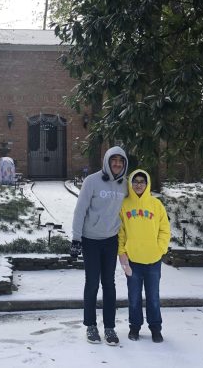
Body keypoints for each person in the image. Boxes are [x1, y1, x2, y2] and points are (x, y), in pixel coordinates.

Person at [71, 146, 128, 345]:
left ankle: (110, 327)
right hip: (90, 240)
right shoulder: (92, 181)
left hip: (111, 240)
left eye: (121, 161)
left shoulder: (124, 185)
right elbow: (80, 210)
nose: (117, 164)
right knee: (92, 283)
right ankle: (91, 326)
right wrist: (76, 238)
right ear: (107, 161)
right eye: (114, 161)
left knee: (109, 284)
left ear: (124, 164)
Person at [118, 169, 171, 343]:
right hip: (132, 261)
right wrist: (122, 254)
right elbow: (120, 232)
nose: (139, 184)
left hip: (153, 261)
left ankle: (155, 328)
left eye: (142, 181)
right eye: (135, 181)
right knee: (133, 297)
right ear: (130, 183)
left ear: (147, 184)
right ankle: (134, 327)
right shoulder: (124, 205)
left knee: (153, 297)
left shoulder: (156, 205)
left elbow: (165, 229)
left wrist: (160, 248)